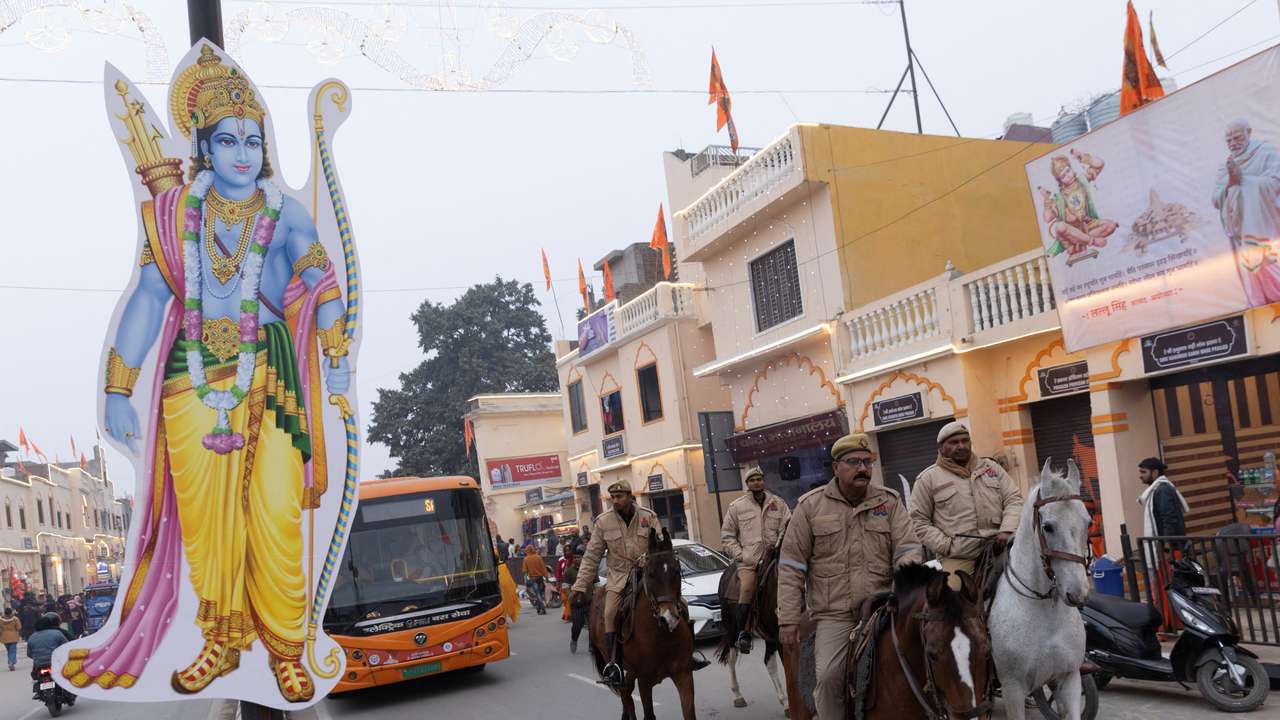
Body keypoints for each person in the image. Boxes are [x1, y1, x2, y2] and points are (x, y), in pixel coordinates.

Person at [77, 45, 352, 703]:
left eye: (253, 140)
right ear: (201, 145)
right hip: (190, 383)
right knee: (208, 525)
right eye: (226, 139)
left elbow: (322, 279)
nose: (242, 151)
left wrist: (336, 332)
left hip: (273, 375)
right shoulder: (171, 218)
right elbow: (148, 298)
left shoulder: (284, 212)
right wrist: (119, 385)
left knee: (276, 513)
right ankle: (223, 642)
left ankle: (285, 647)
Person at [778, 432, 921, 720]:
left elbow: (908, 547)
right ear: (835, 467)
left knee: (935, 654)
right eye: (854, 462)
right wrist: (789, 619)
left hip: (885, 607)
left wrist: (905, 574)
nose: (863, 468)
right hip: (836, 615)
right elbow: (792, 566)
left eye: (867, 462)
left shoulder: (889, 502)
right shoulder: (810, 507)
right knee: (830, 678)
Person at [572, 482, 710, 687]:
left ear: (630, 496)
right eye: (613, 497)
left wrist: (652, 558)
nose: (616, 501)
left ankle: (688, 656)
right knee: (610, 614)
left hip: (649, 575)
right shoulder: (603, 522)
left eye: (620, 496)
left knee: (682, 605)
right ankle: (614, 666)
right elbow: (592, 556)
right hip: (619, 578)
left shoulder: (648, 516)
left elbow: (661, 544)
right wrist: (580, 586)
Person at [911, 421, 1023, 591]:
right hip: (960, 556)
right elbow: (919, 521)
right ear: (941, 447)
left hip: (1001, 546)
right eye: (954, 443)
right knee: (955, 597)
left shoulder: (992, 468)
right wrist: (947, 546)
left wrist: (1007, 529)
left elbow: (1013, 499)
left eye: (965, 441)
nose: (961, 446)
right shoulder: (928, 479)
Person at [719, 462, 790, 654]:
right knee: (747, 588)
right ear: (747, 484)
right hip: (749, 562)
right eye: (753, 480)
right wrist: (741, 555)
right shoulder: (737, 507)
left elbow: (788, 526)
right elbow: (727, 536)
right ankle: (744, 633)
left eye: (759, 479)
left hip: (775, 557)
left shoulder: (779, 503)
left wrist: (780, 545)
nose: (757, 483)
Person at [1211, 118, 1280, 305]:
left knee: (1269, 263)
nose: (1233, 143)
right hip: (1243, 232)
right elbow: (1216, 200)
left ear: (1249, 133)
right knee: (1253, 267)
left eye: (1237, 137)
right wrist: (1231, 183)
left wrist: (1244, 181)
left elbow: (1276, 183)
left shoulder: (1266, 152)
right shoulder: (1226, 165)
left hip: (1269, 227)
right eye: (1229, 140)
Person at [1038, 149, 1118, 265]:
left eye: (1068, 171)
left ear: (1071, 169)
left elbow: (1100, 164)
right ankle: (1091, 241)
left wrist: (1082, 156)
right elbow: (1047, 218)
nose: (1068, 176)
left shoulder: (1082, 181)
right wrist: (1046, 199)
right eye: (1063, 176)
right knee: (1060, 227)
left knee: (1111, 225)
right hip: (1071, 232)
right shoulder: (1059, 197)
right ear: (1059, 180)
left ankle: (1079, 243)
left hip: (1088, 226)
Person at [1138, 458, 1187, 538]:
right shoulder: (1156, 489)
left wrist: (1167, 546)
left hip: (1172, 546)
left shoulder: (1162, 490)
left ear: (1155, 472)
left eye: (1143, 472)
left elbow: (1169, 520)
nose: (1140, 476)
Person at [563, 550, 587, 653]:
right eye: (575, 557)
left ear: (583, 558)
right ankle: (574, 639)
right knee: (578, 624)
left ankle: (592, 646)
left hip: (590, 602)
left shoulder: (589, 570)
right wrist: (570, 596)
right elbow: (565, 587)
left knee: (593, 625)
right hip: (576, 603)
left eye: (579, 557)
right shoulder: (569, 571)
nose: (577, 559)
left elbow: (596, 585)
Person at [522, 543, 550, 615]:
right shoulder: (538, 557)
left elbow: (525, 571)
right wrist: (546, 577)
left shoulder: (526, 559)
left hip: (533, 579)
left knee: (537, 595)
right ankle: (539, 608)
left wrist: (525, 581)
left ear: (527, 551)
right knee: (540, 594)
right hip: (540, 578)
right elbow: (543, 568)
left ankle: (542, 609)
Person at [556, 545, 576, 622]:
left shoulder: (574, 559)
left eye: (569, 550)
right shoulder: (561, 560)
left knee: (569, 600)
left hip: (572, 583)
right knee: (564, 599)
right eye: (566, 551)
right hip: (563, 582)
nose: (567, 552)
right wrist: (558, 582)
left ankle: (567, 615)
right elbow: (558, 571)